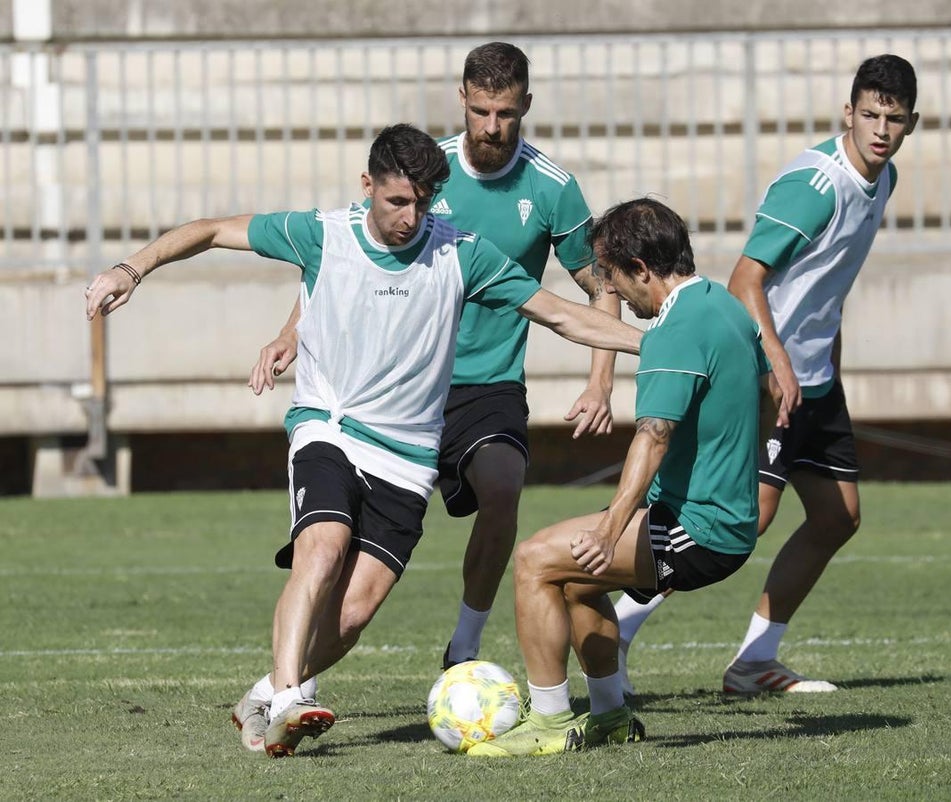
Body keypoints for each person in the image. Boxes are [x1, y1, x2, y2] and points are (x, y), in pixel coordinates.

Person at [82, 123, 642, 758]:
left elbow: (562, 313)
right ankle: (292, 696)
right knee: (322, 547)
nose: (410, 217)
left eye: (423, 203)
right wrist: (132, 268)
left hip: (407, 457)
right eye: (397, 201)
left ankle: (265, 696)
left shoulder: (462, 253)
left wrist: (656, 343)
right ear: (367, 186)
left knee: (350, 616)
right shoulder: (324, 234)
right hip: (331, 426)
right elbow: (210, 229)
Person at [248, 42, 619, 678]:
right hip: (396, 390)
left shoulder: (553, 188)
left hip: (487, 383)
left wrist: (602, 382)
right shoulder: (424, 174)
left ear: (526, 105)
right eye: (481, 111)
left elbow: (598, 287)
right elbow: (341, 260)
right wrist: (292, 330)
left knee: (503, 488)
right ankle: (279, 690)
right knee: (334, 563)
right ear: (463, 101)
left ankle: (465, 645)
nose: (493, 127)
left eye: (506, 113)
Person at [613, 54, 919, 696]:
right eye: (870, 115)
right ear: (848, 113)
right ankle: (613, 635)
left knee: (838, 518)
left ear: (911, 123)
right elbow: (746, 278)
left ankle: (754, 662)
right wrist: (775, 361)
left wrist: (825, 361)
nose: (880, 130)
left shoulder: (883, 181)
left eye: (893, 118)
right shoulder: (815, 185)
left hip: (815, 380)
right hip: (769, 377)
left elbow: (825, 289)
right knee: (741, 518)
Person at [466, 198, 772, 757]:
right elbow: (769, 390)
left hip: (698, 527)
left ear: (641, 269)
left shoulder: (676, 329)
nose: (613, 294)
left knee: (535, 559)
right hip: (705, 515)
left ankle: (551, 723)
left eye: (612, 277)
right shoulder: (725, 307)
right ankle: (609, 714)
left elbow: (652, 437)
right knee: (580, 583)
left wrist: (611, 529)